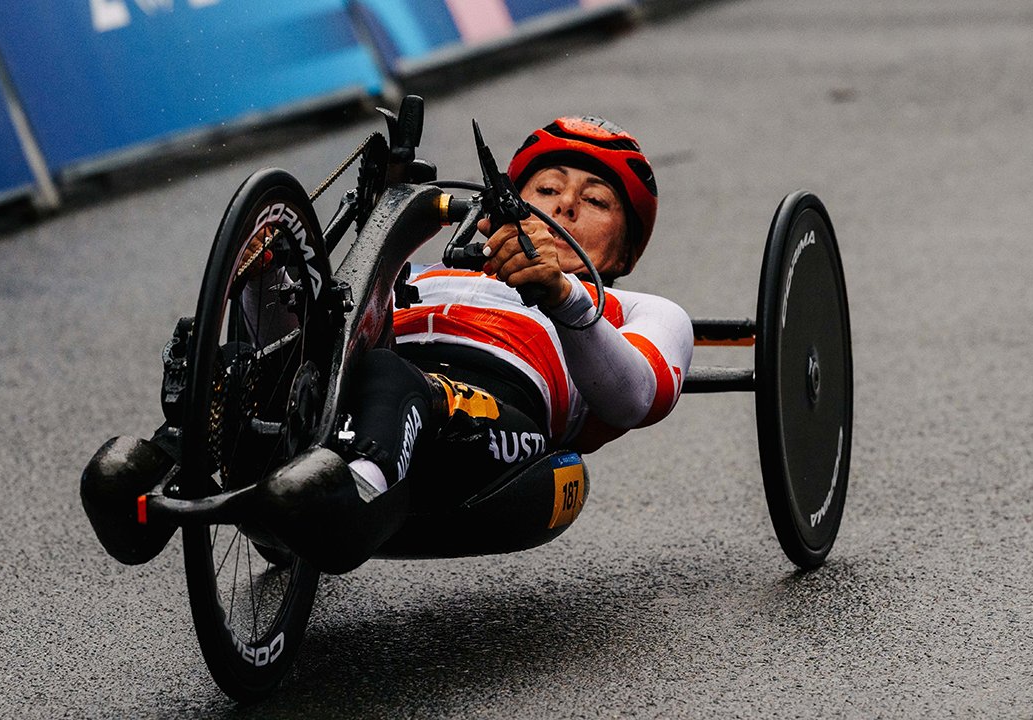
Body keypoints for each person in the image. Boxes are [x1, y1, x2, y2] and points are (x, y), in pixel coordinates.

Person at [84, 115, 693, 569]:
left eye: (595, 200)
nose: (564, 204)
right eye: (546, 189)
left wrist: (564, 298)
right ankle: (163, 465)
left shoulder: (634, 309)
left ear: (625, 247)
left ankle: (351, 495)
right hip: (371, 387)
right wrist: (263, 281)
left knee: (392, 380)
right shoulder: (428, 274)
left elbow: (635, 398)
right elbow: (315, 342)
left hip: (491, 424)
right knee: (245, 359)